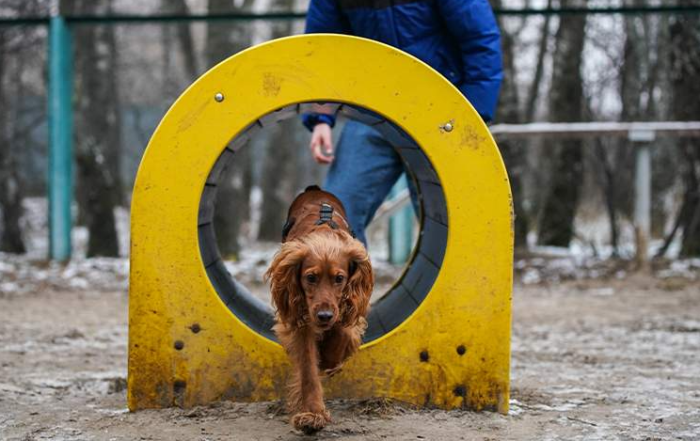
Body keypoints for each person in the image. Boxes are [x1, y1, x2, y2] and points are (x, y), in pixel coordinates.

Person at [301, 0, 503, 246]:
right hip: (373, 109)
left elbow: (480, 41)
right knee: (335, 216)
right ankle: (345, 284)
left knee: (449, 223)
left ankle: (463, 284)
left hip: (439, 113)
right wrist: (321, 117)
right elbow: (322, 49)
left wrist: (472, 116)